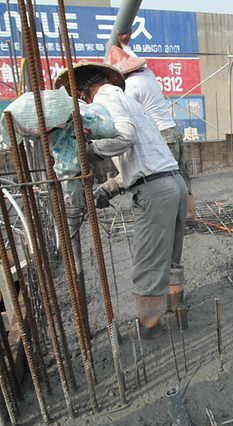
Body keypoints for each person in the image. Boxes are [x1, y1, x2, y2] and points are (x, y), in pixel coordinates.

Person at [54, 61, 188, 338]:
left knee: (148, 267)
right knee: (170, 261)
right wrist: (110, 187)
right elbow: (145, 157)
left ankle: (150, 328)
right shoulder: (130, 103)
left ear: (83, 90)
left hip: (155, 192)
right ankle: (177, 314)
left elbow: (126, 137)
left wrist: (87, 153)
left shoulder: (105, 100)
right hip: (173, 184)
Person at [104, 31, 196, 223]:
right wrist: (125, 45)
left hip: (159, 136)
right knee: (181, 176)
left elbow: (124, 114)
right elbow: (135, 59)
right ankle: (189, 216)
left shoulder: (130, 86)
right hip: (172, 131)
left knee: (163, 180)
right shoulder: (147, 73)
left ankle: (172, 221)